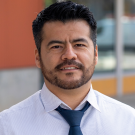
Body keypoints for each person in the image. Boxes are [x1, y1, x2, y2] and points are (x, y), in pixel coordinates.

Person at [0, 1, 135, 135]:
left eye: (79, 44)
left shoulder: (128, 121)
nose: (69, 55)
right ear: (38, 57)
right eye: (56, 46)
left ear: (95, 54)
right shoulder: (7, 126)